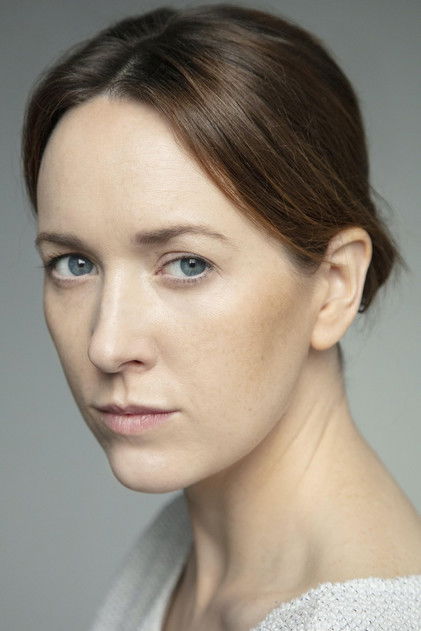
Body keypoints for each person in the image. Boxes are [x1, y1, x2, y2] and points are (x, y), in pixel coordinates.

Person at [21, 3, 421, 630]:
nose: (107, 344)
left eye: (187, 264)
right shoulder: (179, 549)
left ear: (335, 286)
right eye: (74, 264)